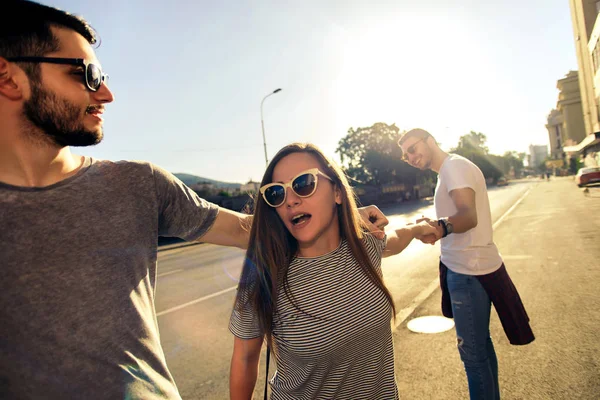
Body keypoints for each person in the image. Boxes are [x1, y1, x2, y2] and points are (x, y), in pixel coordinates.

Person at [0, 2, 387, 399]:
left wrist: (337, 213)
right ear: (8, 77)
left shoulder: (137, 183)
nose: (107, 93)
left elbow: (247, 229)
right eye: (85, 74)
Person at [228, 142, 439, 400]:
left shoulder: (365, 247)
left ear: (338, 192)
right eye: (276, 194)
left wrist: (418, 228)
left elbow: (395, 238)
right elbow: (245, 358)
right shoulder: (263, 275)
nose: (290, 200)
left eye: (303, 183)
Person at [398, 128, 534, 400]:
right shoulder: (449, 171)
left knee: (473, 356)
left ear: (430, 140)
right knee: (480, 348)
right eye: (405, 156)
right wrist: (434, 224)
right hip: (471, 267)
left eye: (413, 149)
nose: (410, 157)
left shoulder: (453, 167)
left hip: (467, 271)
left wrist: (440, 228)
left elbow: (468, 216)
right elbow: (459, 216)